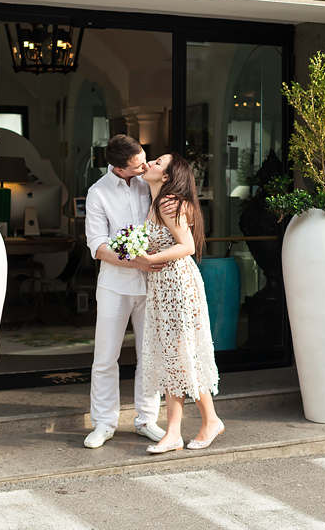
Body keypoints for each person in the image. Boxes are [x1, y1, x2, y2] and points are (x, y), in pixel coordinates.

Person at [82, 135, 166, 448]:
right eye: (137, 165)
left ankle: (147, 420)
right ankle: (104, 423)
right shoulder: (98, 193)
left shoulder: (150, 183)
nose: (145, 166)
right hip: (114, 286)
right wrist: (136, 264)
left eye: (145, 159)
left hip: (151, 285)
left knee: (150, 356)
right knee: (105, 357)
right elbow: (98, 246)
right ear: (119, 169)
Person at [138, 153, 224, 453]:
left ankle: (198, 424)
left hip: (177, 285)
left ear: (166, 176)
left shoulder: (168, 202)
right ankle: (182, 428)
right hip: (165, 286)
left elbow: (186, 247)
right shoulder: (159, 201)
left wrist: (148, 258)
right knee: (175, 356)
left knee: (180, 354)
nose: (151, 163)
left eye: (158, 163)